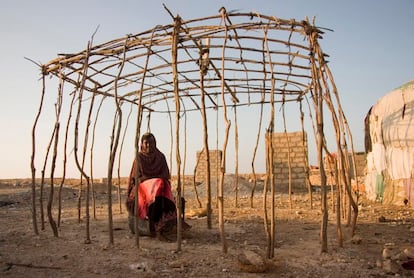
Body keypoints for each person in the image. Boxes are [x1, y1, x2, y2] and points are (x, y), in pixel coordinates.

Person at [126, 132, 187, 241]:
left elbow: (165, 175)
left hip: (159, 188)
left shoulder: (160, 157)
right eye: (146, 143)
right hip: (142, 189)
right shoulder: (139, 158)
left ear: (155, 143)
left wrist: (156, 181)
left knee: (161, 185)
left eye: (152, 143)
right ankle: (159, 229)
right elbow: (136, 178)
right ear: (142, 144)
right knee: (158, 186)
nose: (149, 145)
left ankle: (162, 225)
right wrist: (150, 181)